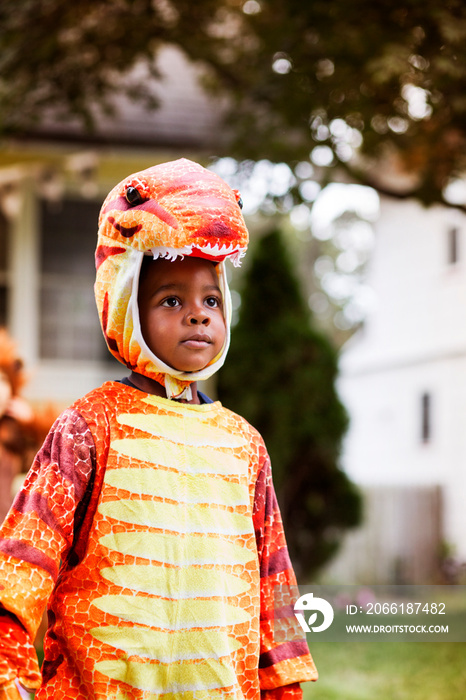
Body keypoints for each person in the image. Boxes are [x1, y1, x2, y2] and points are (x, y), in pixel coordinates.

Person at [0, 158, 318, 699]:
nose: (198, 315)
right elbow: (19, 571)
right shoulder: (90, 424)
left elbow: (272, 593)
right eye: (172, 300)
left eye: (211, 300)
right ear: (125, 305)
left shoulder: (244, 445)